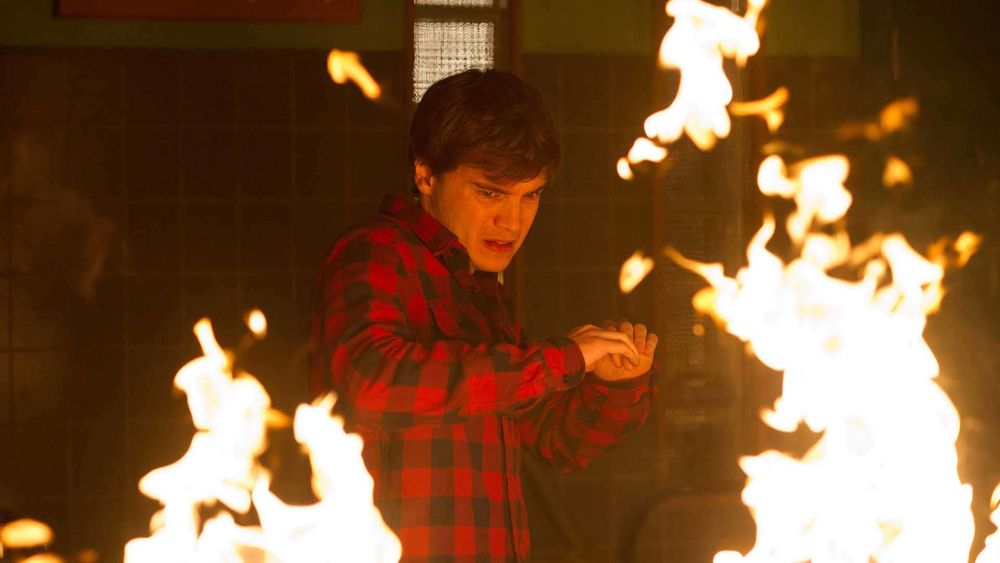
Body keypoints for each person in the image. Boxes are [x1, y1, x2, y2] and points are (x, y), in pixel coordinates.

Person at [309, 68, 658, 562]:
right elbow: (371, 381)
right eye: (490, 192)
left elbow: (552, 441)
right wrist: (563, 358)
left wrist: (616, 386)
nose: (512, 221)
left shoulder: (482, 293)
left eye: (530, 194)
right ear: (425, 174)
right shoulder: (376, 251)